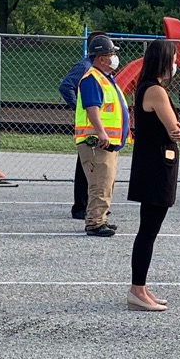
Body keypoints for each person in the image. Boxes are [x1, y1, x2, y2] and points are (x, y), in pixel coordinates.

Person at [127, 38, 180, 312]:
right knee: (148, 231)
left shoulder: (148, 87)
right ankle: (137, 290)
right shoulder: (155, 90)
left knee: (148, 229)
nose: (176, 64)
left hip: (152, 163)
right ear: (163, 60)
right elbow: (173, 128)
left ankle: (141, 288)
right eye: (174, 59)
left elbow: (176, 129)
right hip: (156, 166)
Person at [73, 33, 127, 237]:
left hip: (108, 142)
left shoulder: (105, 79)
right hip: (96, 142)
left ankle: (101, 218)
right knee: (99, 184)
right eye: (111, 53)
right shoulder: (92, 79)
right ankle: (95, 223)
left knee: (106, 182)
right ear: (101, 57)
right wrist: (102, 132)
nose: (114, 57)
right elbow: (92, 108)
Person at [60, 49, 92, 219]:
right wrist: (78, 106)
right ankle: (81, 206)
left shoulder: (98, 71)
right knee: (85, 164)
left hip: (97, 122)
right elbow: (65, 86)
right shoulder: (85, 67)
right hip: (87, 123)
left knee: (93, 164)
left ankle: (92, 205)